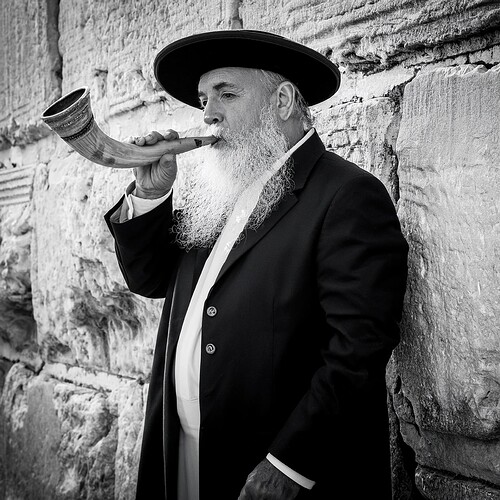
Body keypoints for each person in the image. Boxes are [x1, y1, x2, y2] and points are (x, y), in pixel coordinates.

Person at [105, 30, 408, 500]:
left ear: (283, 100)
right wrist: (150, 192)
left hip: (273, 470)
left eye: (227, 94)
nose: (208, 114)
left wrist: (290, 463)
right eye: (205, 99)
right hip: (183, 454)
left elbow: (359, 347)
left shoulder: (346, 195)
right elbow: (148, 277)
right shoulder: (221, 195)